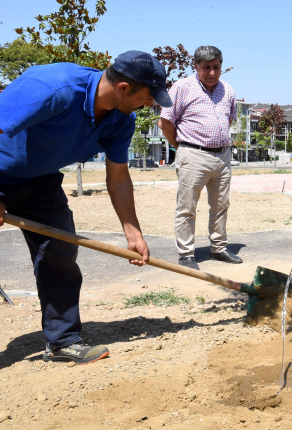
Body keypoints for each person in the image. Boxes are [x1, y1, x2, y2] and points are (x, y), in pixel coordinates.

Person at [0, 51, 169, 364]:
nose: (148, 105)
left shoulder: (121, 120)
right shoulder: (54, 87)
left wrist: (133, 232)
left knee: (60, 250)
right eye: (146, 97)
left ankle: (62, 341)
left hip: (41, 181)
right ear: (123, 89)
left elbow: (118, 178)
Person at [159, 46, 240, 270]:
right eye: (206, 68)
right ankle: (186, 254)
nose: (212, 73)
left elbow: (229, 120)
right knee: (187, 207)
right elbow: (165, 122)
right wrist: (181, 147)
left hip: (222, 156)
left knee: (221, 205)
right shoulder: (182, 88)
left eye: (216, 67)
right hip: (192, 155)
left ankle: (219, 248)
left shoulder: (228, 90)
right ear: (196, 66)